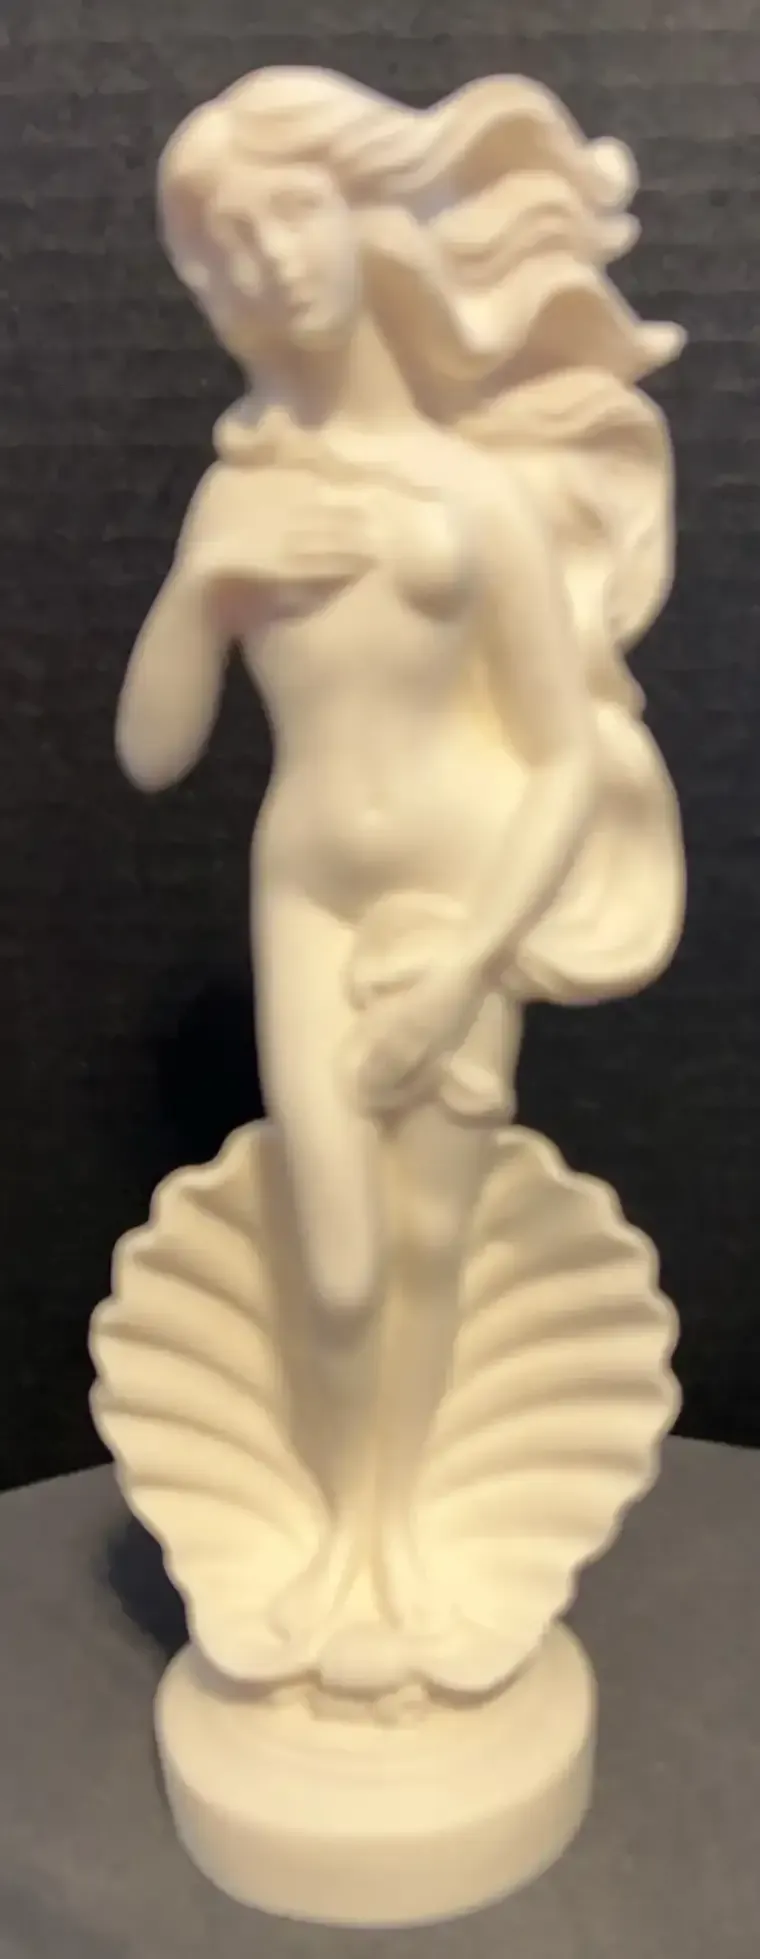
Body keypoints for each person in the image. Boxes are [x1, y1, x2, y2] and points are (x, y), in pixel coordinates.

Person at [116, 68, 684, 1659]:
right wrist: (203, 587)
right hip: (307, 894)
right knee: (343, 1258)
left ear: (367, 219)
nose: (268, 264)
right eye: (227, 249)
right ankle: (332, 1536)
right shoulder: (243, 495)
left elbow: (557, 755)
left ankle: (399, 1539)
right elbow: (154, 752)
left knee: (430, 1241)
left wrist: (465, 961)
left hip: (458, 910)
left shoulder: (481, 492)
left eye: (289, 217)